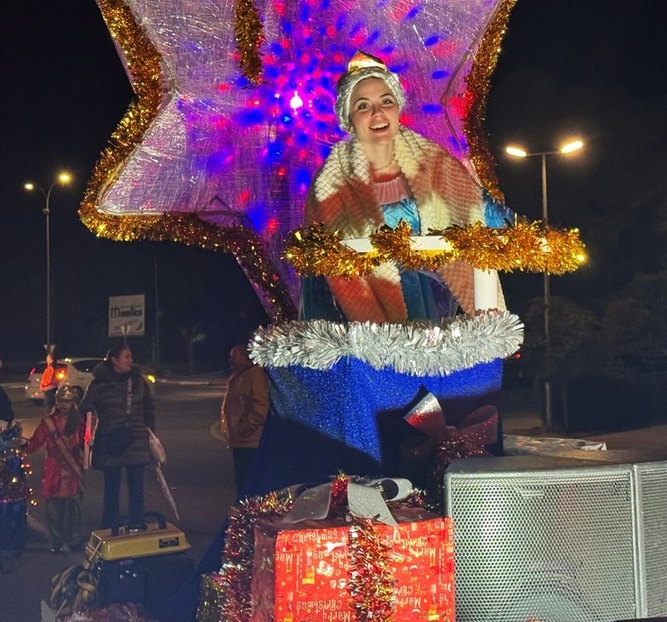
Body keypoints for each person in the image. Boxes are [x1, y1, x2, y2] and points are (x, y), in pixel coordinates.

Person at [303, 50, 512, 324]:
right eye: (363, 106)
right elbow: (316, 265)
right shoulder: (329, 183)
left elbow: (491, 216)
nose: (377, 112)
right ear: (348, 118)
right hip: (356, 313)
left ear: (398, 108)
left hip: (425, 305)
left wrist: (512, 220)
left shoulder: (435, 164)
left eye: (386, 101)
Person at [78, 345, 156, 530]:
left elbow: (149, 407)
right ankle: (110, 524)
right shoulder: (99, 384)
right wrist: (85, 436)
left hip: (136, 438)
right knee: (111, 486)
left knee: (136, 485)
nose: (131, 360)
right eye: (127, 356)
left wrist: (149, 431)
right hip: (110, 440)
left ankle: (137, 522)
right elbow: (85, 408)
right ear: (114, 359)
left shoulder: (138, 381)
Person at [24, 384, 86, 553]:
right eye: (61, 401)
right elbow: (35, 442)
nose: (64, 405)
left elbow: (85, 443)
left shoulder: (80, 421)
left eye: (67, 401)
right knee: (54, 508)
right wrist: (24, 444)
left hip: (73, 467)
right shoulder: (48, 423)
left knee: (73, 506)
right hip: (54, 467)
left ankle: (73, 539)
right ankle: (57, 540)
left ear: (73, 403)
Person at [219, 344, 269, 500]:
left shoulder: (254, 376)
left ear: (246, 357)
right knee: (242, 482)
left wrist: (243, 429)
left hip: (250, 442)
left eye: (234, 357)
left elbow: (260, 408)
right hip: (241, 441)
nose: (231, 360)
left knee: (248, 483)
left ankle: (250, 517)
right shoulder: (239, 376)